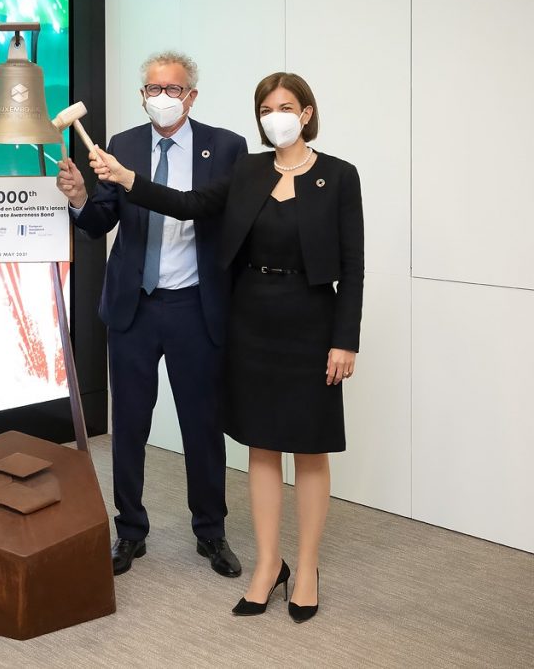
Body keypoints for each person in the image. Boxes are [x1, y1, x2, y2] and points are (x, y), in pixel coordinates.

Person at [90, 72, 364, 622]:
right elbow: (189, 205)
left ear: (307, 113)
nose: (275, 117)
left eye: (286, 107)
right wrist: (127, 180)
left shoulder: (338, 175)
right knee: (260, 446)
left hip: (310, 325)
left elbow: (353, 267)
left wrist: (345, 340)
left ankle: (304, 567)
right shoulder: (249, 169)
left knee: (308, 448)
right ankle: (269, 565)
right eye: (266, 108)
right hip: (250, 324)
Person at [56, 52, 246, 577]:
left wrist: (129, 180)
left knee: (201, 426)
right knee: (130, 425)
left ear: (192, 96)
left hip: (194, 304)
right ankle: (130, 532)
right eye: (152, 89)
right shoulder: (124, 144)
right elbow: (101, 220)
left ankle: (211, 531)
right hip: (134, 305)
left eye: (173, 89)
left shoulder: (227, 147)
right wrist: (78, 199)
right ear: (142, 95)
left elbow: (201, 206)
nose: (162, 98)